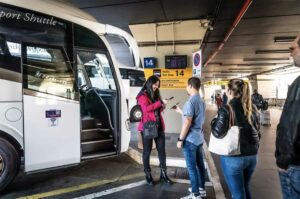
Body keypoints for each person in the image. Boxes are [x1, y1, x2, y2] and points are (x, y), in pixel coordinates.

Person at [211, 79, 260, 199]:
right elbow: (258, 132)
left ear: (229, 91)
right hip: (252, 156)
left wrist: (214, 121)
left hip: (234, 158)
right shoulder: (252, 108)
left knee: (238, 194)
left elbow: (217, 132)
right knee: (245, 187)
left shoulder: (227, 109)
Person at [275, 36, 300, 199]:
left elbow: (293, 125)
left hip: (295, 167)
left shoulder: (298, 84)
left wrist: (283, 161)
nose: (291, 53)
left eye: (293, 48)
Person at [136, 75, 172, 185]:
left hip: (159, 126)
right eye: (155, 84)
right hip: (147, 127)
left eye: (158, 85)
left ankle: (163, 174)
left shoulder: (156, 95)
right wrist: (160, 103)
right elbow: (146, 109)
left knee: (162, 151)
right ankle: (148, 174)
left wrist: (163, 105)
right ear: (149, 83)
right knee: (147, 151)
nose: (156, 86)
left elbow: (158, 109)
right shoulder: (142, 96)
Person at [174, 77, 206, 199]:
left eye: (187, 86)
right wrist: (180, 111)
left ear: (191, 86)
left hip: (190, 139)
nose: (186, 88)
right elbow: (194, 117)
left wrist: (180, 139)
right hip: (199, 138)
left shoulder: (190, 102)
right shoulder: (201, 101)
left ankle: (195, 194)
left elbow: (187, 122)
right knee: (200, 165)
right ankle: (201, 189)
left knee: (192, 168)